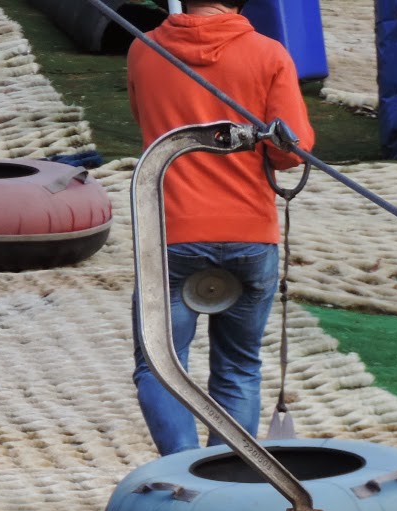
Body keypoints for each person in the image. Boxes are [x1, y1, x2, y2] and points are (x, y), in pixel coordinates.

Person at [126, 0, 315, 455]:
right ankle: (228, 475)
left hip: (170, 232)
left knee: (159, 363)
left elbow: (145, 126)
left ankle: (183, 471)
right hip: (250, 232)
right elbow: (292, 152)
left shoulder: (143, 50)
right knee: (239, 368)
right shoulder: (269, 54)